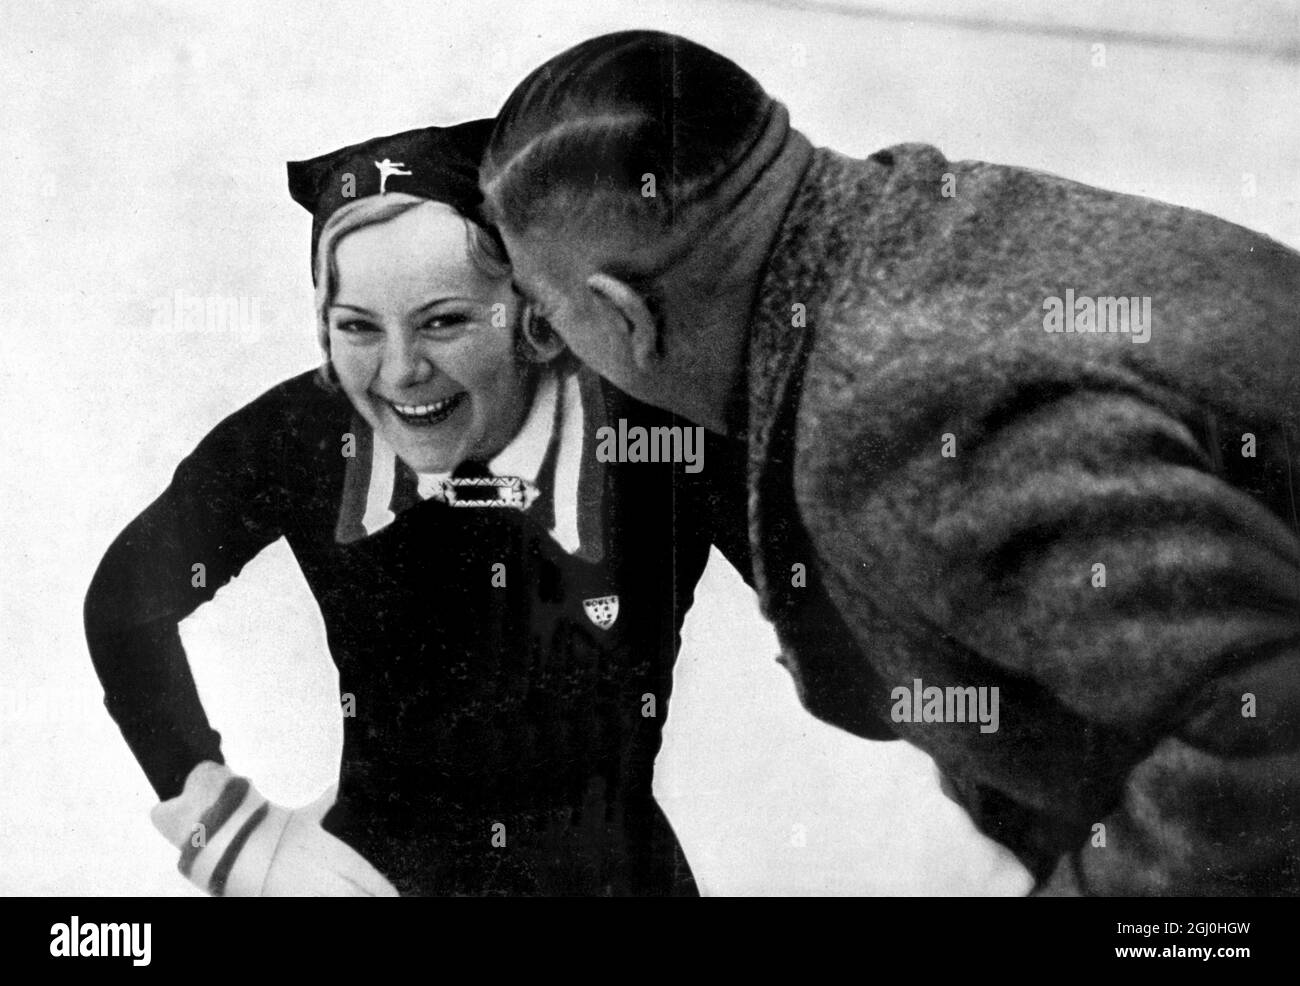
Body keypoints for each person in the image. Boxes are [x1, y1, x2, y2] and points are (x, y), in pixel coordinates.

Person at [479, 30, 1300, 895]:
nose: (545, 349)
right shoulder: (922, 214)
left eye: (543, 318)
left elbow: (1260, 711)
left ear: (622, 318)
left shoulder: (887, 417)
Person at [84, 120, 747, 896]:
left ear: (532, 315)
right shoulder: (305, 434)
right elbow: (126, 604)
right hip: (371, 878)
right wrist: (228, 838)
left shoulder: (655, 429)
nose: (401, 373)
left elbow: (844, 598)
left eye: (443, 321)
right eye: (358, 328)